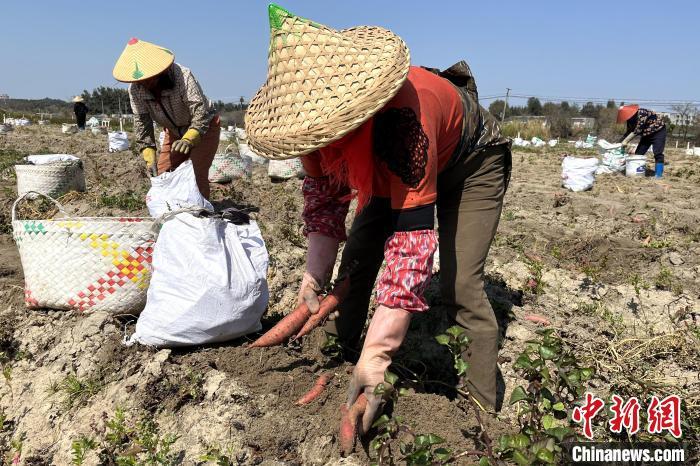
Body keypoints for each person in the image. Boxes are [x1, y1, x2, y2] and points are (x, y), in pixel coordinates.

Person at [245, 5, 511, 433]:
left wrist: (380, 356)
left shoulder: (403, 126)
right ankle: (342, 345)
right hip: (392, 161)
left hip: (471, 162)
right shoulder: (313, 130)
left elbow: (411, 251)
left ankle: (483, 411)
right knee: (358, 256)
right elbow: (325, 204)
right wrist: (314, 275)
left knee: (461, 283)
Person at [112, 38, 220, 197]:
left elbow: (200, 112)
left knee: (196, 176)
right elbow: (142, 122)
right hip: (174, 131)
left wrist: (190, 138)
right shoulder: (136, 90)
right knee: (162, 174)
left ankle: (200, 213)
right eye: (141, 80)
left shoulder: (182, 76)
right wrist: (148, 150)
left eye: (151, 78)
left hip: (204, 128)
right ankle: (172, 210)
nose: (146, 83)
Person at [617, 104, 666, 178]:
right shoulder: (630, 119)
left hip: (658, 131)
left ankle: (658, 174)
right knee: (638, 153)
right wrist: (619, 143)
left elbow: (638, 130)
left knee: (658, 153)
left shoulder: (642, 113)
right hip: (646, 134)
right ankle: (636, 170)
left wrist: (626, 141)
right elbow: (629, 131)